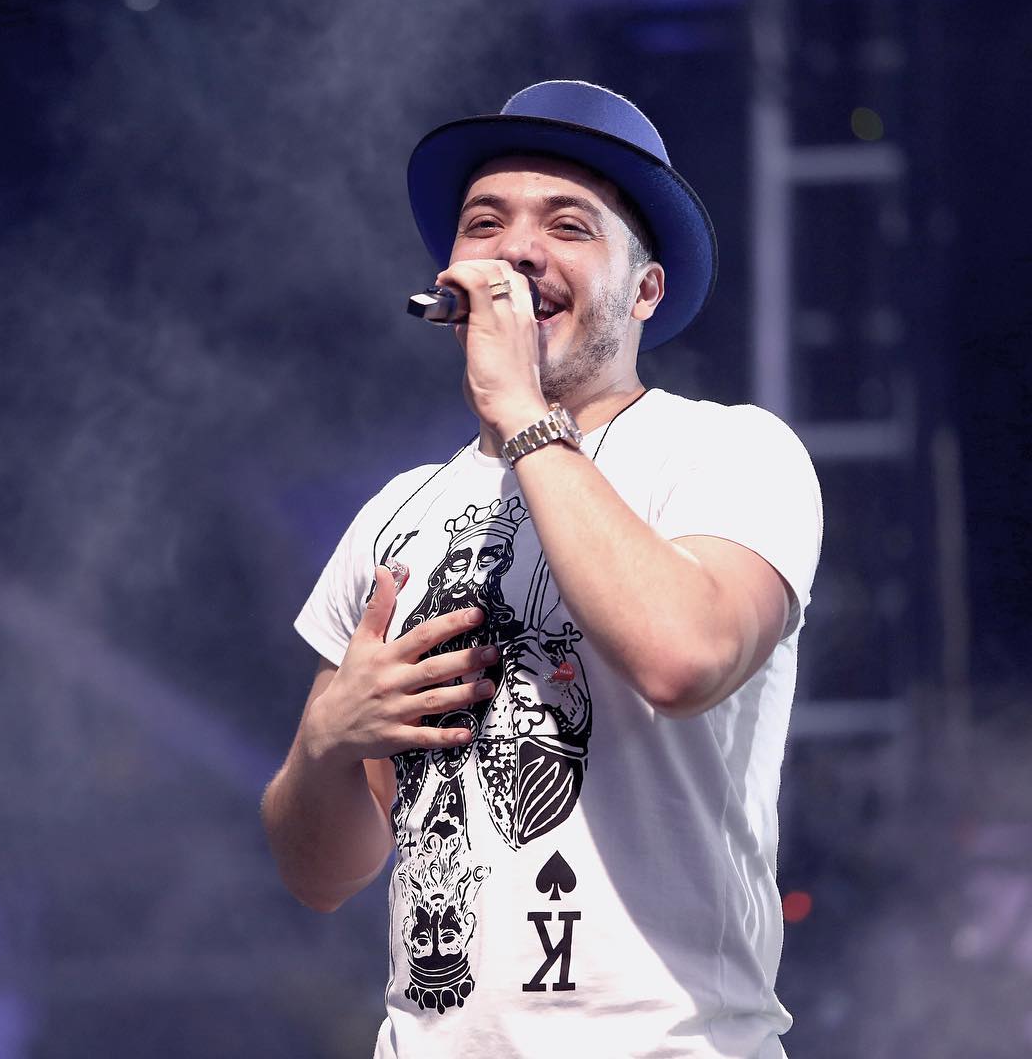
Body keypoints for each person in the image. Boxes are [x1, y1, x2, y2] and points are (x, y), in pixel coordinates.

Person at [262, 80, 823, 1059]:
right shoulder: (395, 514)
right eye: (486, 223)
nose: (517, 251)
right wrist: (325, 745)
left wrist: (520, 409)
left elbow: (684, 658)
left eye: (568, 225)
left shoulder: (728, 452)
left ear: (645, 291)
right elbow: (320, 875)